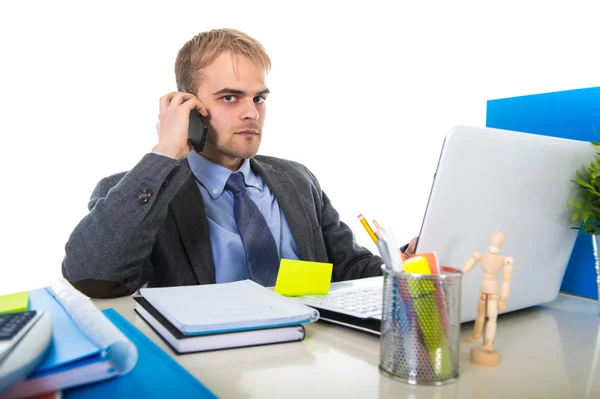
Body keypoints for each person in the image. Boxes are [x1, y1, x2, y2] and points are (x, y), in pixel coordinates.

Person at [61, 28, 417, 298]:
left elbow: (350, 267)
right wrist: (166, 151)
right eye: (230, 97)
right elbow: (91, 275)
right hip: (208, 370)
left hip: (311, 360)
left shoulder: (297, 179)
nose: (251, 113)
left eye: (258, 98)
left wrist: (403, 266)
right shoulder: (140, 190)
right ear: (189, 106)